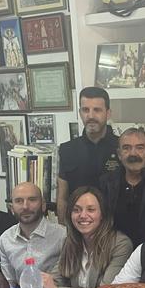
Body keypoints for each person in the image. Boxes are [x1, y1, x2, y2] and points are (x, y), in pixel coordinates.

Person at [43, 187, 132, 288]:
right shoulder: (70, 241)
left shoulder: (120, 245)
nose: (83, 215)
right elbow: (55, 281)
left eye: (90, 210)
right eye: (76, 210)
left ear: (102, 215)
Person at [99, 127, 145, 247]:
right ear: (119, 154)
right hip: (116, 253)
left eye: (140, 148)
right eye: (126, 148)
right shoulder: (106, 183)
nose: (133, 153)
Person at [57, 87, 121, 221]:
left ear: (108, 113)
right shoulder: (67, 150)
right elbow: (62, 198)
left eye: (97, 110)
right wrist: (64, 231)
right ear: (80, 113)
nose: (91, 116)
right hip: (80, 228)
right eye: (85, 110)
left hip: (116, 228)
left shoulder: (122, 147)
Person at [0, 182, 66, 287]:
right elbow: (9, 284)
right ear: (12, 208)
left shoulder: (62, 235)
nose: (25, 206)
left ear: (43, 206)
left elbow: (63, 280)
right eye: (19, 201)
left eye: (32, 200)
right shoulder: (6, 239)